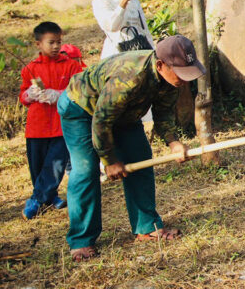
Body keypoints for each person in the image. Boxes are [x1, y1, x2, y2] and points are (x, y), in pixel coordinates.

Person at [58, 35, 200, 261]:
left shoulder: (173, 81)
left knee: (141, 159)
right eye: (180, 72)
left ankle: (147, 227)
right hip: (82, 109)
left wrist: (173, 143)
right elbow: (101, 122)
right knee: (86, 171)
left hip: (125, 113)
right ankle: (81, 240)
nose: (184, 79)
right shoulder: (129, 78)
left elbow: (163, 114)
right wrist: (109, 160)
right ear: (160, 65)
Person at [18, 22, 84, 220]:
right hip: (36, 127)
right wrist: (29, 95)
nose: (56, 46)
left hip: (61, 125)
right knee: (37, 167)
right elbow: (23, 96)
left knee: (54, 166)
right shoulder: (30, 69)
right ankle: (50, 197)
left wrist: (60, 95)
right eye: (51, 42)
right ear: (38, 44)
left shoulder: (71, 65)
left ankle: (36, 200)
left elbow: (80, 91)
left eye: (59, 42)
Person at [93, 0, 156, 124]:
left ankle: (144, 130)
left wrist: (153, 52)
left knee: (141, 94)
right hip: (116, 56)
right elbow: (111, 25)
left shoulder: (135, 1)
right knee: (120, 97)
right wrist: (123, 2)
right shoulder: (102, 1)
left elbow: (143, 29)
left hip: (139, 54)